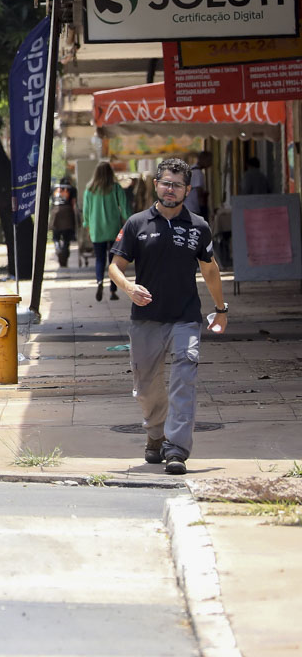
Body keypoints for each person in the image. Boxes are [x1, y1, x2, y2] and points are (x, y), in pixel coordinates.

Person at [107, 156, 229, 475]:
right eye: (165, 183)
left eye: (177, 185)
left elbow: (210, 270)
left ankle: (176, 449)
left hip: (185, 317)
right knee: (146, 389)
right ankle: (155, 435)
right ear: (155, 185)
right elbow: (115, 266)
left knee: (184, 380)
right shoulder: (137, 224)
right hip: (146, 319)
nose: (170, 189)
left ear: (187, 190)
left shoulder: (199, 227)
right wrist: (128, 287)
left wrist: (220, 309)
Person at [81, 162, 128, 302]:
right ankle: (113, 290)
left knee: (99, 259)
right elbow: (125, 208)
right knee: (114, 261)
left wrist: (87, 225)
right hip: (114, 229)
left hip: (97, 230)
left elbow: (86, 211)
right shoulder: (116, 188)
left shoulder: (89, 190)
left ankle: (100, 281)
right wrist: (130, 221)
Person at [51, 183, 78, 269]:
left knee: (56, 236)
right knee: (66, 239)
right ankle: (64, 258)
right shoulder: (72, 188)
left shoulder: (54, 187)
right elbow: (73, 203)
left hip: (56, 212)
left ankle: (57, 247)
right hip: (67, 213)